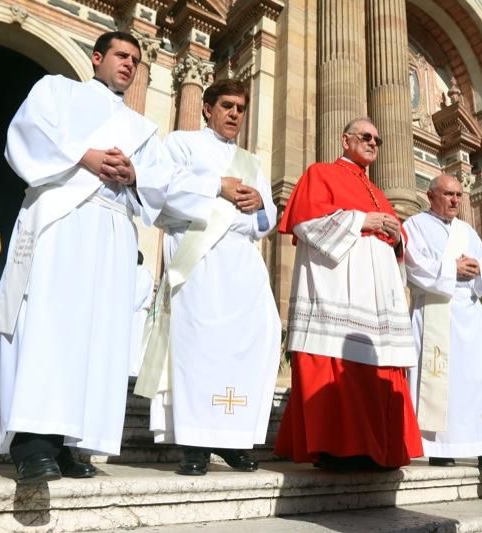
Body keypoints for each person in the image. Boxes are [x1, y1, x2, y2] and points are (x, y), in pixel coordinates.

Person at [0, 31, 169, 484]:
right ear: (97, 57)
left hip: (111, 232)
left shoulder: (140, 127)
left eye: (135, 59)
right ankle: (33, 443)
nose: (129, 65)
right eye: (120, 55)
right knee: (49, 325)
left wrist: (135, 174)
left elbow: (158, 186)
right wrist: (85, 156)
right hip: (61, 222)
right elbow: (25, 136)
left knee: (95, 336)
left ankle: (72, 443)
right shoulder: (57, 89)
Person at [140, 78, 281, 476]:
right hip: (200, 257)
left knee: (253, 341)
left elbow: (267, 221)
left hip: (242, 262)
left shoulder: (252, 163)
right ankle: (194, 444)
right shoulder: (182, 144)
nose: (235, 114)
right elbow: (161, 189)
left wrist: (258, 207)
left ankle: (232, 439)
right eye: (228, 106)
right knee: (197, 347)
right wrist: (217, 188)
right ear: (207, 108)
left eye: (240, 108)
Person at [273, 117, 423, 470]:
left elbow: (400, 243)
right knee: (336, 360)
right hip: (337, 284)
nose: (373, 143)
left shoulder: (379, 192)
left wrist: (397, 236)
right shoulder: (320, 173)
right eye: (366, 136)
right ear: (345, 140)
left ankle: (377, 448)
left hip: (374, 294)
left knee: (376, 365)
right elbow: (305, 223)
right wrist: (361, 221)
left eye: (377, 139)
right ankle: (337, 448)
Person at [404, 175, 482, 473]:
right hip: (436, 311)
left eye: (459, 195)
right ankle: (441, 448)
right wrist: (452, 268)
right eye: (448, 194)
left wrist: (476, 269)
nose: (455, 201)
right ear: (430, 195)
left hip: (470, 314)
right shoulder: (414, 226)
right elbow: (413, 265)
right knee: (442, 386)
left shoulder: (466, 230)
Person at [129, 251, 154, 377]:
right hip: (132, 312)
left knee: (136, 341)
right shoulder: (134, 272)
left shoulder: (143, 273)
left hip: (138, 313)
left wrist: (128, 308)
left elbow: (139, 294)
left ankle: (134, 369)